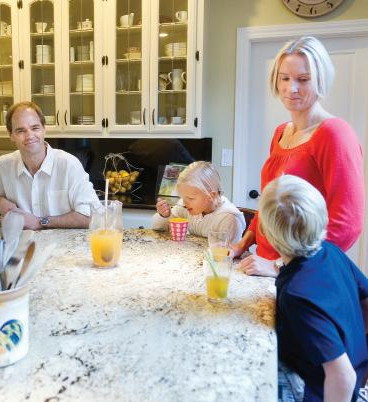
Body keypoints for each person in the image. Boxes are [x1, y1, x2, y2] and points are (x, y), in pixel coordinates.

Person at [230, 36, 365, 277]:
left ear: (321, 80)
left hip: (302, 276)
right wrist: (243, 243)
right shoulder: (281, 132)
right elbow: (269, 205)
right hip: (261, 266)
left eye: (303, 79)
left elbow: (347, 225)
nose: (291, 88)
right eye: (284, 78)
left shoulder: (335, 133)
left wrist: (280, 266)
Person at [258, 175, 368, 402]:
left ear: (267, 234)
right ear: (322, 217)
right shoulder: (330, 251)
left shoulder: (296, 296)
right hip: (355, 374)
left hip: (316, 389)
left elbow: (343, 376)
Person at [0, 101, 100, 230]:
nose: (29, 136)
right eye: (20, 130)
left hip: (63, 243)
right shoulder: (3, 166)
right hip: (20, 242)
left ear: (44, 129)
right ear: (11, 135)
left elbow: (92, 217)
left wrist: (40, 222)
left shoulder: (69, 165)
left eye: (35, 128)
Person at [152, 161, 245, 243]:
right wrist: (164, 216)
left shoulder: (228, 219)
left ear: (211, 196)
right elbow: (158, 228)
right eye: (183, 197)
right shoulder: (186, 205)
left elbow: (228, 253)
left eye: (190, 198)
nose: (184, 202)